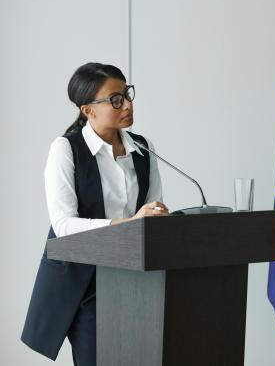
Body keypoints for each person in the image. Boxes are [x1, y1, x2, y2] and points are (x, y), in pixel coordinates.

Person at [21, 63, 170, 366]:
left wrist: (157, 218)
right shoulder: (66, 149)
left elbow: (152, 213)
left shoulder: (143, 148)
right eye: (116, 99)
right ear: (88, 110)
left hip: (137, 279)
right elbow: (63, 226)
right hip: (88, 283)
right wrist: (128, 224)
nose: (127, 104)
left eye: (127, 94)